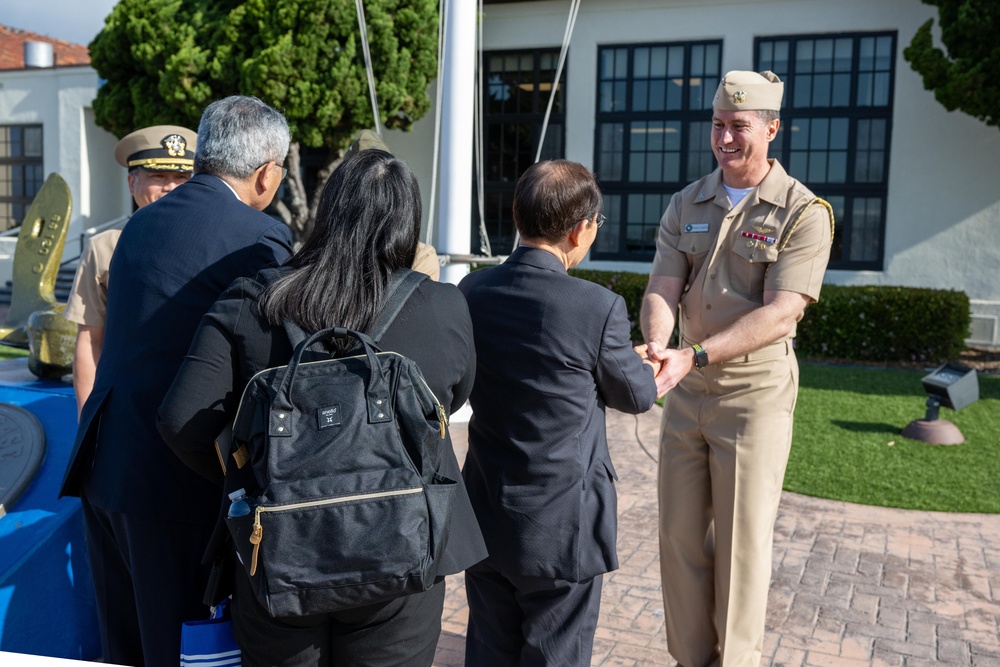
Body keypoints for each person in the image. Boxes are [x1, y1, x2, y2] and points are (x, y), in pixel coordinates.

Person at [156, 148, 487, 667]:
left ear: (328, 212)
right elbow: (451, 399)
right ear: (407, 222)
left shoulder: (251, 301)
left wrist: (248, 478)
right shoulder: (443, 306)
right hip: (401, 545)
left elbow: (181, 421)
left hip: (280, 551)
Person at [59, 96, 294, 667]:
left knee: (126, 640)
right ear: (267, 173)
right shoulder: (259, 238)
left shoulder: (137, 227)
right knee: (184, 646)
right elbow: (264, 364)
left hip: (108, 464)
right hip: (182, 472)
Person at [641, 71, 834, 667]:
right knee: (677, 537)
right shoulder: (687, 202)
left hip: (754, 397)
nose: (725, 138)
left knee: (741, 546)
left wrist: (692, 353)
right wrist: (656, 346)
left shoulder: (803, 211)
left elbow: (782, 313)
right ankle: (690, 658)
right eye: (718, 125)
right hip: (686, 388)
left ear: (772, 129)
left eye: (739, 127)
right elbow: (661, 288)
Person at [458, 160, 660, 666]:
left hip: (484, 511)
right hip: (559, 526)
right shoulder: (597, 307)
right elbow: (636, 396)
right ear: (580, 228)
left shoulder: (472, 292)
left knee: (487, 650)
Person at [63, 124, 197, 417]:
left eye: (182, 177)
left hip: (195, 409)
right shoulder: (104, 247)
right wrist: (89, 418)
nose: (170, 187)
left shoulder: (214, 243)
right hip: (126, 408)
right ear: (131, 183)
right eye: (158, 176)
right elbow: (89, 339)